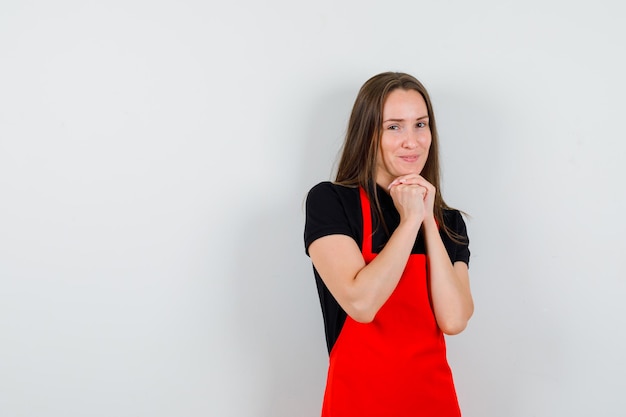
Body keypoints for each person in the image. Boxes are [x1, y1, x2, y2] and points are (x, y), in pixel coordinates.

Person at [304, 72, 474, 416]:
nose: (411, 141)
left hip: (434, 403)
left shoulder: (447, 221)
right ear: (368, 134)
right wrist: (409, 220)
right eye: (393, 127)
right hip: (358, 404)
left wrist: (427, 217)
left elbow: (454, 319)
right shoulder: (332, 202)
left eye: (420, 124)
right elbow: (362, 303)